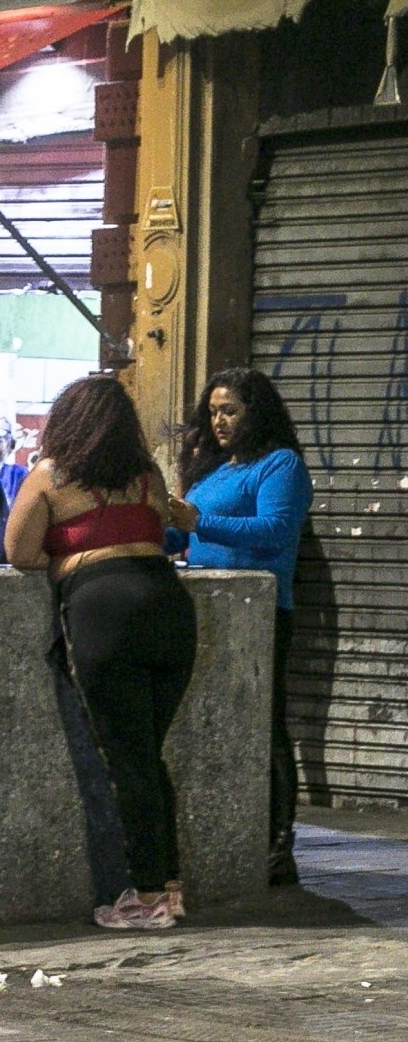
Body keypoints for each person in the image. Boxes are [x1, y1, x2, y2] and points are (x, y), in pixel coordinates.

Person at [3, 375, 195, 931]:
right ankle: (171, 885)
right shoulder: (146, 475)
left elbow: (19, 552)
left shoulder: (50, 476)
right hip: (168, 608)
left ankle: (148, 898)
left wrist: (69, 559)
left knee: (129, 761)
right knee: (148, 756)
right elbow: (159, 533)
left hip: (104, 613)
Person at [174, 368, 313, 887]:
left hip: (261, 613)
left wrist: (195, 522)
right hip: (209, 609)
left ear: (257, 411)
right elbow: (183, 533)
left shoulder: (281, 465)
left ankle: (278, 845)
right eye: (212, 412)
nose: (219, 421)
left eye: (229, 410)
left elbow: (275, 531)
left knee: (267, 727)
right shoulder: (214, 471)